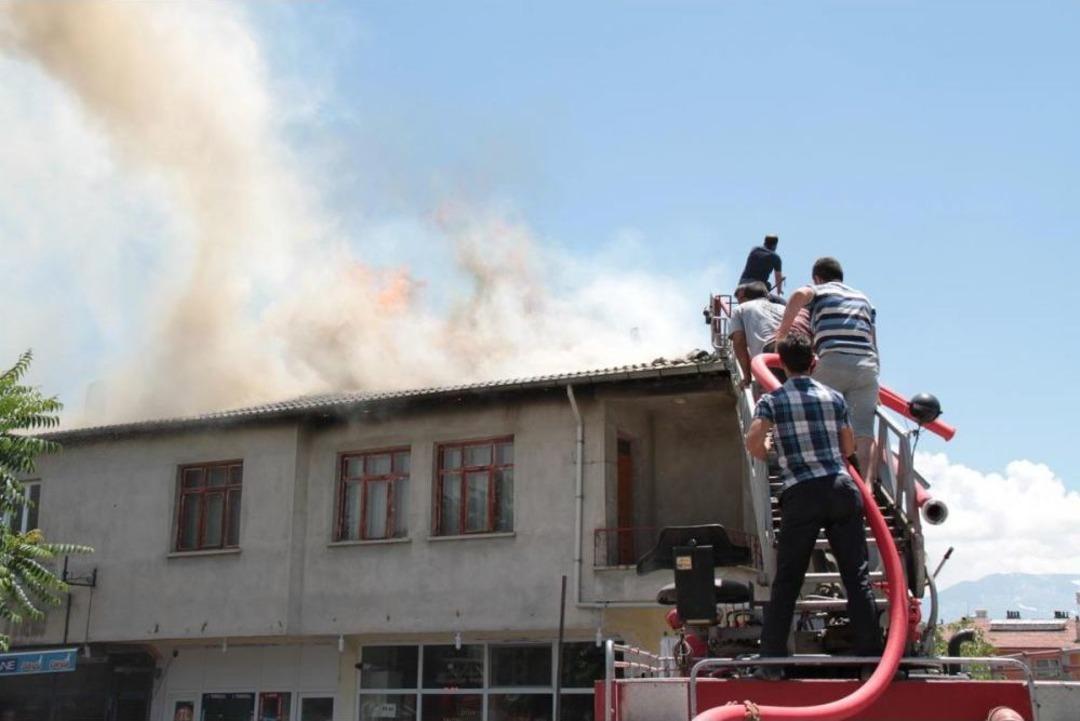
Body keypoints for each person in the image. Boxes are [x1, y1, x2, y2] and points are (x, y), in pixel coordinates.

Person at [745, 333, 880, 670]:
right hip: (840, 488)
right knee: (856, 576)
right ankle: (871, 659)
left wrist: (772, 455)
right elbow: (848, 447)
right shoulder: (834, 397)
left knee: (789, 578)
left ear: (783, 365)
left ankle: (773, 660)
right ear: (814, 362)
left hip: (800, 493)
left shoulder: (772, 401)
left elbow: (753, 441)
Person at [776, 257, 878, 481]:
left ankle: (824, 473)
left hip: (833, 360)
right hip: (867, 366)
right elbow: (873, 340)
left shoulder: (820, 290)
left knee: (815, 415)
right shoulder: (863, 298)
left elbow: (798, 296)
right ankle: (868, 486)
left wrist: (781, 336)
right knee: (864, 431)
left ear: (817, 278)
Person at [729, 282, 784, 389]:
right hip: (794, 352)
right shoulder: (783, 308)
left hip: (767, 359)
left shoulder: (740, 309)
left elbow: (739, 341)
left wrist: (747, 377)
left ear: (745, 297)